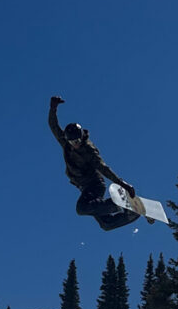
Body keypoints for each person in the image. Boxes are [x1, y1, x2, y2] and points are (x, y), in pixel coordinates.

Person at [48, 96, 144, 231]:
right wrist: (53, 108)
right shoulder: (66, 143)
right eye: (73, 142)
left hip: (94, 184)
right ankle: (131, 215)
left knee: (81, 208)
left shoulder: (88, 150)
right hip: (84, 186)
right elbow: (53, 126)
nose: (76, 144)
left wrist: (121, 183)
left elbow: (103, 167)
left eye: (78, 141)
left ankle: (120, 204)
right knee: (106, 224)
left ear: (82, 137)